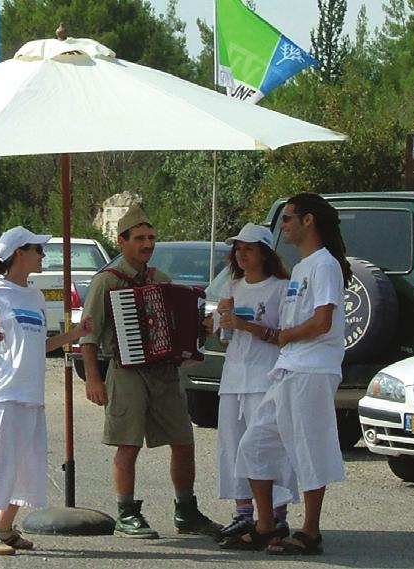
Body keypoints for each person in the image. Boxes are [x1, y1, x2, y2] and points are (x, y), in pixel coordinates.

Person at [80, 204, 222, 539]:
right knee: (128, 443)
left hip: (165, 372)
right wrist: (94, 380)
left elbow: (181, 320)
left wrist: (198, 329)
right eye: (140, 238)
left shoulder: (160, 279)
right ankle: (126, 511)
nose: (148, 244)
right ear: (122, 241)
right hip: (127, 371)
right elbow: (87, 335)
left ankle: (186, 510)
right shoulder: (106, 282)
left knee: (183, 441)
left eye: (151, 238)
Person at [230, 193, 352, 555]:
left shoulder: (324, 265)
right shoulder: (301, 268)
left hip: (313, 368)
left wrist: (284, 336)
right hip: (288, 367)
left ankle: (310, 531)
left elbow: (322, 321)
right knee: (254, 445)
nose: (282, 226)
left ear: (308, 220)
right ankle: (266, 525)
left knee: (309, 446)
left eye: (286, 219)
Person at [0, 226, 93, 556]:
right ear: (20, 253)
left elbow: (38, 345)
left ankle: (4, 528)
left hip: (31, 393)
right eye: (38, 249)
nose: (43, 255)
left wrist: (74, 333)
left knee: (25, 462)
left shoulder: (34, 295)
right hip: (1, 392)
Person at [209, 223, 298, 548]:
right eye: (238, 248)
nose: (241, 254)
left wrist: (246, 325)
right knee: (233, 447)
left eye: (248, 248)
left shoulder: (280, 288)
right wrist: (220, 325)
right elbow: (223, 339)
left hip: (266, 377)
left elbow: (284, 336)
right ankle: (243, 512)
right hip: (234, 378)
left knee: (265, 446)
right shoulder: (232, 287)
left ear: (264, 252)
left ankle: (276, 514)